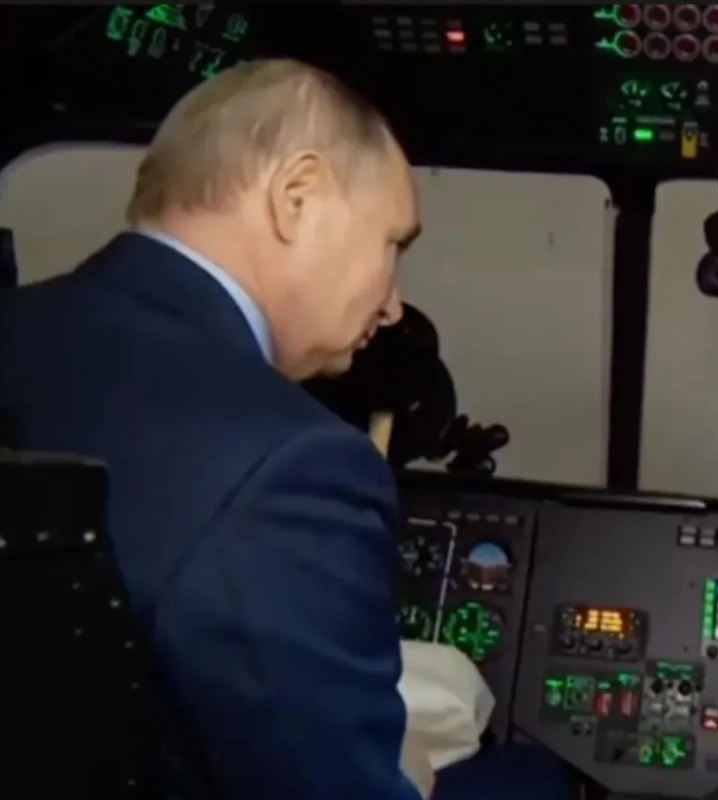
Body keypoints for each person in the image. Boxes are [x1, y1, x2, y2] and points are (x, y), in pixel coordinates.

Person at [0, 59, 569, 800]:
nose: (393, 305)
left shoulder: (19, 327)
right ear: (296, 197)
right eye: (393, 243)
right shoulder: (291, 465)